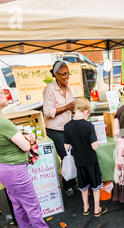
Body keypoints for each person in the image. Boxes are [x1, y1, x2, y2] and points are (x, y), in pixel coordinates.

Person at [0, 79, 64, 228]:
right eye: (2, 92)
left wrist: (23, 138)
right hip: (14, 170)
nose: (6, 94)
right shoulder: (1, 122)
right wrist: (28, 139)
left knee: (17, 202)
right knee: (32, 204)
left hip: (2, 168)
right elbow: (25, 147)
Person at [64, 97, 107, 217]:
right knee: (95, 186)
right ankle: (97, 208)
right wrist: (95, 136)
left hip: (79, 162)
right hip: (91, 162)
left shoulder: (67, 126)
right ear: (86, 111)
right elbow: (95, 147)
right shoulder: (89, 126)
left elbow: (66, 147)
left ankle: (86, 207)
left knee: (83, 187)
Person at [43, 60, 77, 196]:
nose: (67, 77)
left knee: (72, 156)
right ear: (56, 75)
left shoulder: (68, 88)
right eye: (64, 74)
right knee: (65, 156)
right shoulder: (49, 89)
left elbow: (70, 107)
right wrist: (67, 107)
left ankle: (72, 181)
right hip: (55, 130)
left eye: (68, 74)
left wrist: (75, 110)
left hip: (68, 128)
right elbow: (48, 112)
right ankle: (67, 185)